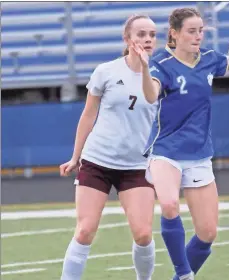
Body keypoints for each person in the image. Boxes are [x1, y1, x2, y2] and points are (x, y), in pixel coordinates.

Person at [133, 7, 229, 280]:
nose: (198, 36)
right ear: (175, 34)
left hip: (199, 153)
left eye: (201, 31)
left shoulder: (208, 59)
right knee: (169, 204)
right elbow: (150, 95)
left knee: (207, 233)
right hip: (166, 149)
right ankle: (184, 273)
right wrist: (145, 70)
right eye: (192, 31)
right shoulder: (160, 62)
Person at [59, 14, 158, 280]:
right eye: (141, 34)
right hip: (97, 161)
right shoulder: (107, 71)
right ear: (127, 39)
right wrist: (75, 156)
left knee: (144, 233)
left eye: (152, 34)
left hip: (136, 166)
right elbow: (88, 114)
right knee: (85, 230)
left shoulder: (162, 75)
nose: (147, 39)